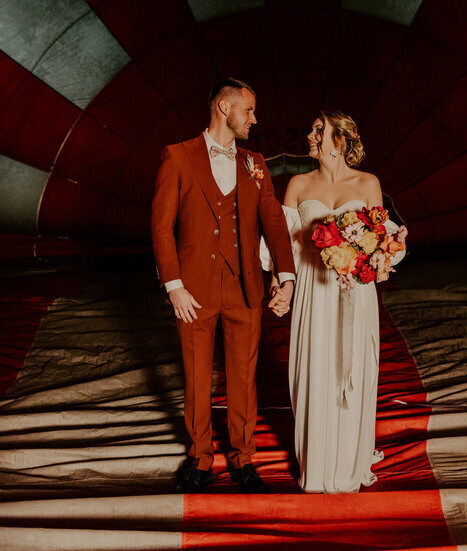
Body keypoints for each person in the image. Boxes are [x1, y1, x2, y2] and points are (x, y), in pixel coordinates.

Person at [151, 78, 295, 493]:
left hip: (246, 286)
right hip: (192, 289)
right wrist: (174, 285)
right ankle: (199, 459)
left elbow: (273, 222)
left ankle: (243, 458)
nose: (254, 118)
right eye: (248, 110)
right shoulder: (177, 157)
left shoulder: (255, 162)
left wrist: (285, 277)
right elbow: (161, 226)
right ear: (222, 108)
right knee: (197, 377)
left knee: (243, 377)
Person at [262, 111, 405, 493]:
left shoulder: (368, 183)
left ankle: (347, 465)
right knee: (312, 370)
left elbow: (384, 242)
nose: (309, 135)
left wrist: (380, 255)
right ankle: (317, 465)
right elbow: (284, 246)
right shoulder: (297, 184)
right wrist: (281, 287)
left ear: (339, 141)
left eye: (318, 130)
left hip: (354, 293)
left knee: (353, 373)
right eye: (312, 128)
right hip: (313, 291)